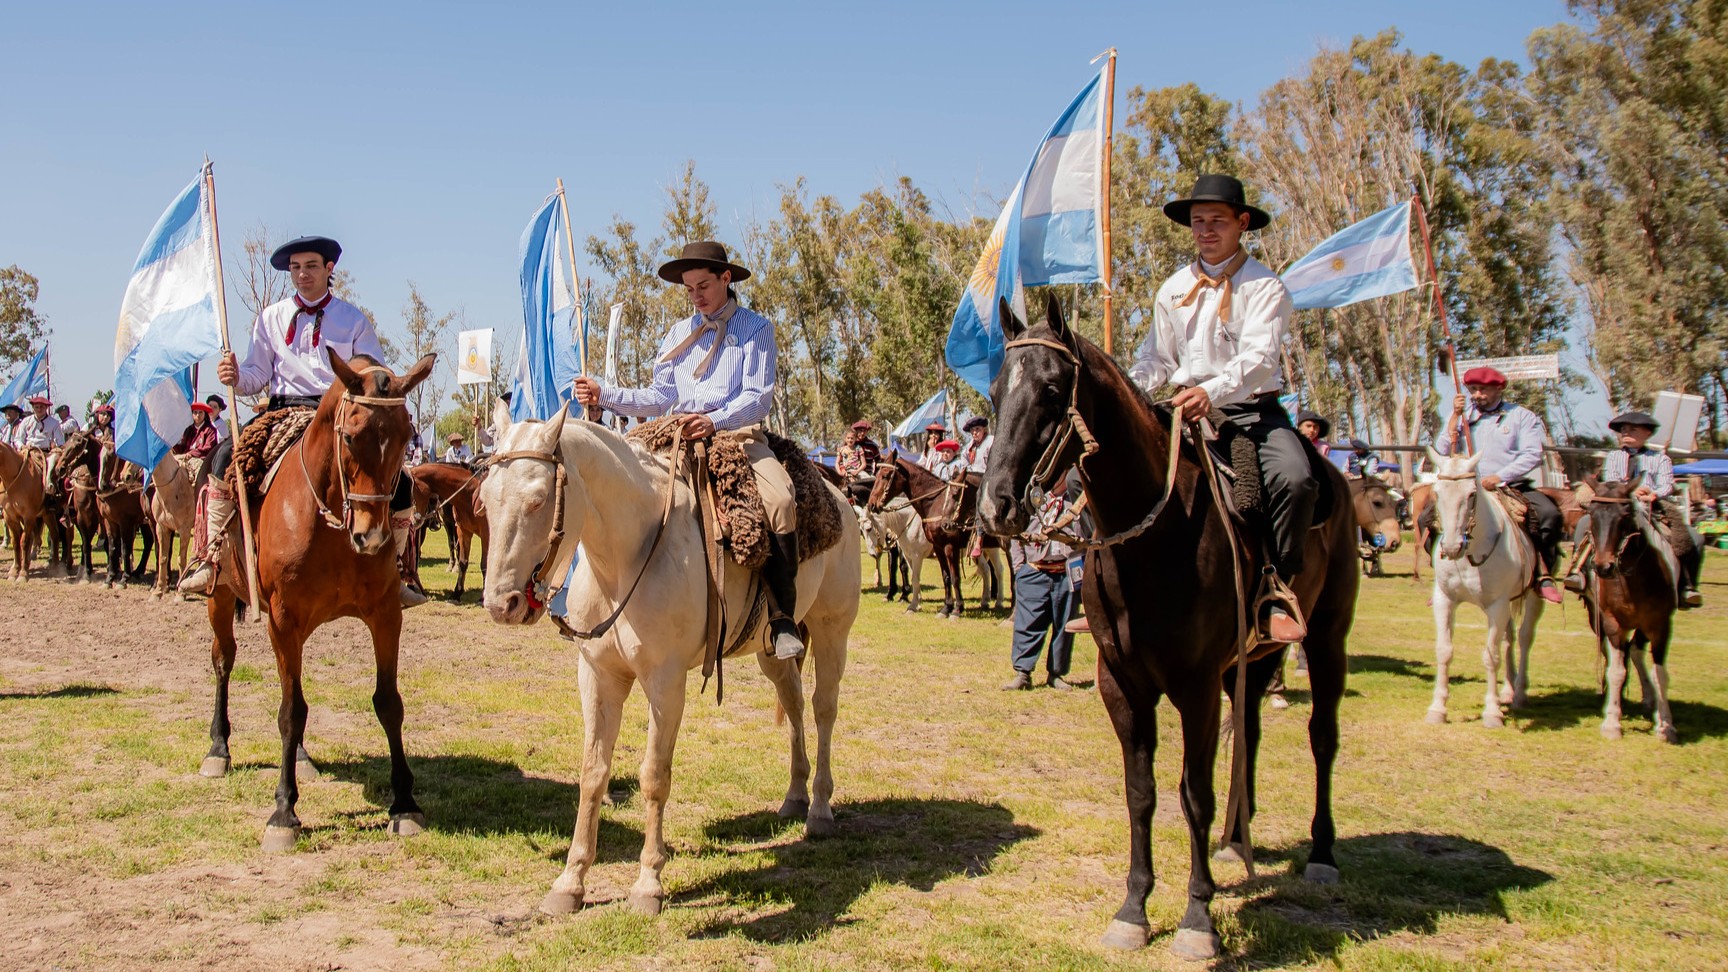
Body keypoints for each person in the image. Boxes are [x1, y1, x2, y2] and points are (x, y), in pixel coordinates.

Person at [572, 240, 808, 660]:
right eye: (689, 290)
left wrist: (715, 420)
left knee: (780, 500)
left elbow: (758, 396)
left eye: (703, 286)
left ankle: (782, 617)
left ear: (726, 278)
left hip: (736, 437)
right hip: (673, 436)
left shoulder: (757, 329)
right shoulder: (677, 335)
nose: (696, 297)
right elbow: (658, 396)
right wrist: (604, 393)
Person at [179, 235, 425, 608]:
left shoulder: (353, 320)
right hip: (279, 413)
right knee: (224, 457)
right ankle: (211, 557)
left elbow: (377, 376)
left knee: (402, 480)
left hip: (340, 416)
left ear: (329, 270)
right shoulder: (271, 318)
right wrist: (234, 374)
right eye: (295, 268)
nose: (301, 274)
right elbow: (256, 375)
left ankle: (400, 570)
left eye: (310, 266)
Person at [1128, 173, 1314, 643]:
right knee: (1104, 466)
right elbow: (1157, 357)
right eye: (1197, 222)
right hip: (1183, 412)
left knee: (1295, 478)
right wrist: (1127, 389)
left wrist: (1211, 390)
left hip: (1250, 415)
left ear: (1242, 223)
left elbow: (1259, 360)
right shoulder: (1172, 289)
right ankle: (1114, 588)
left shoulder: (1266, 286)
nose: (1206, 230)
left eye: (1217, 221)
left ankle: (1275, 588)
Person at [1433, 366, 1564, 604]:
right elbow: (1442, 451)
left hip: (1509, 486)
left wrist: (1500, 476)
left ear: (1499, 389)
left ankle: (1542, 575)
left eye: (1483, 390)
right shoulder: (1462, 417)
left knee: (1548, 514)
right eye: (1473, 389)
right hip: (1466, 488)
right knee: (1426, 518)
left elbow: (1532, 454)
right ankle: (1442, 579)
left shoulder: (1521, 416)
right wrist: (1452, 420)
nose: (1476, 394)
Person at [1566, 410, 1702, 607]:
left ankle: (1686, 587)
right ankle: (1578, 573)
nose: (1626, 433)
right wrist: (1629, 492)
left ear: (1647, 433)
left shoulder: (1660, 459)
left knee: (1694, 538)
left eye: (1632, 429)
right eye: (1623, 430)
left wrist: (1653, 493)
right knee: (1583, 525)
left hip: (1653, 507)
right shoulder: (1613, 457)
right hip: (1618, 508)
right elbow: (1611, 482)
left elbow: (1667, 484)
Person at [1003, 475, 1084, 691]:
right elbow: (1016, 531)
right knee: (1027, 623)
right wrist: (1020, 569)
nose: (1059, 478)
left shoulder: (1078, 500)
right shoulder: (1033, 500)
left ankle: (1055, 674)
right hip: (1034, 570)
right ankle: (1023, 673)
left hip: (1066, 572)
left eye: (1064, 473)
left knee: (1064, 625)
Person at [16, 395, 64, 490]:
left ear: (46, 408)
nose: (39, 409)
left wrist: (57, 450)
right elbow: (18, 439)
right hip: (27, 452)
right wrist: (22, 446)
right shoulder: (26, 421)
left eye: (42, 407)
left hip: (45, 454)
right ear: (32, 408)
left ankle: (50, 488)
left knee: (52, 468)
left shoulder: (54, 423)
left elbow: (60, 442)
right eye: (36, 407)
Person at [170, 402, 220, 484]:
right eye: (195, 412)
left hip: (201, 459)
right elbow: (183, 447)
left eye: (200, 412)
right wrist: (173, 445)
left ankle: (198, 490)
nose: (198, 415)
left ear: (205, 414)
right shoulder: (188, 430)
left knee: (198, 466)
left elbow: (208, 448)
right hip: (185, 457)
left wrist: (192, 453)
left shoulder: (210, 430)